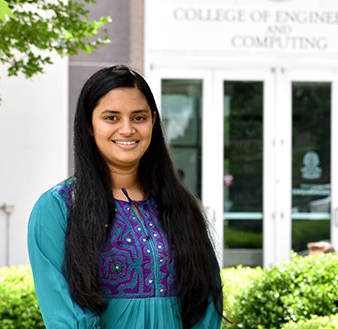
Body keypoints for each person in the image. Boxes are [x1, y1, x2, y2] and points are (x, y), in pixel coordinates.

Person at [27, 65, 224, 328]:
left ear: (153, 121)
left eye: (139, 118)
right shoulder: (58, 208)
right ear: (89, 124)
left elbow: (205, 301)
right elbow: (64, 315)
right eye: (111, 118)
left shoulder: (180, 206)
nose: (127, 129)